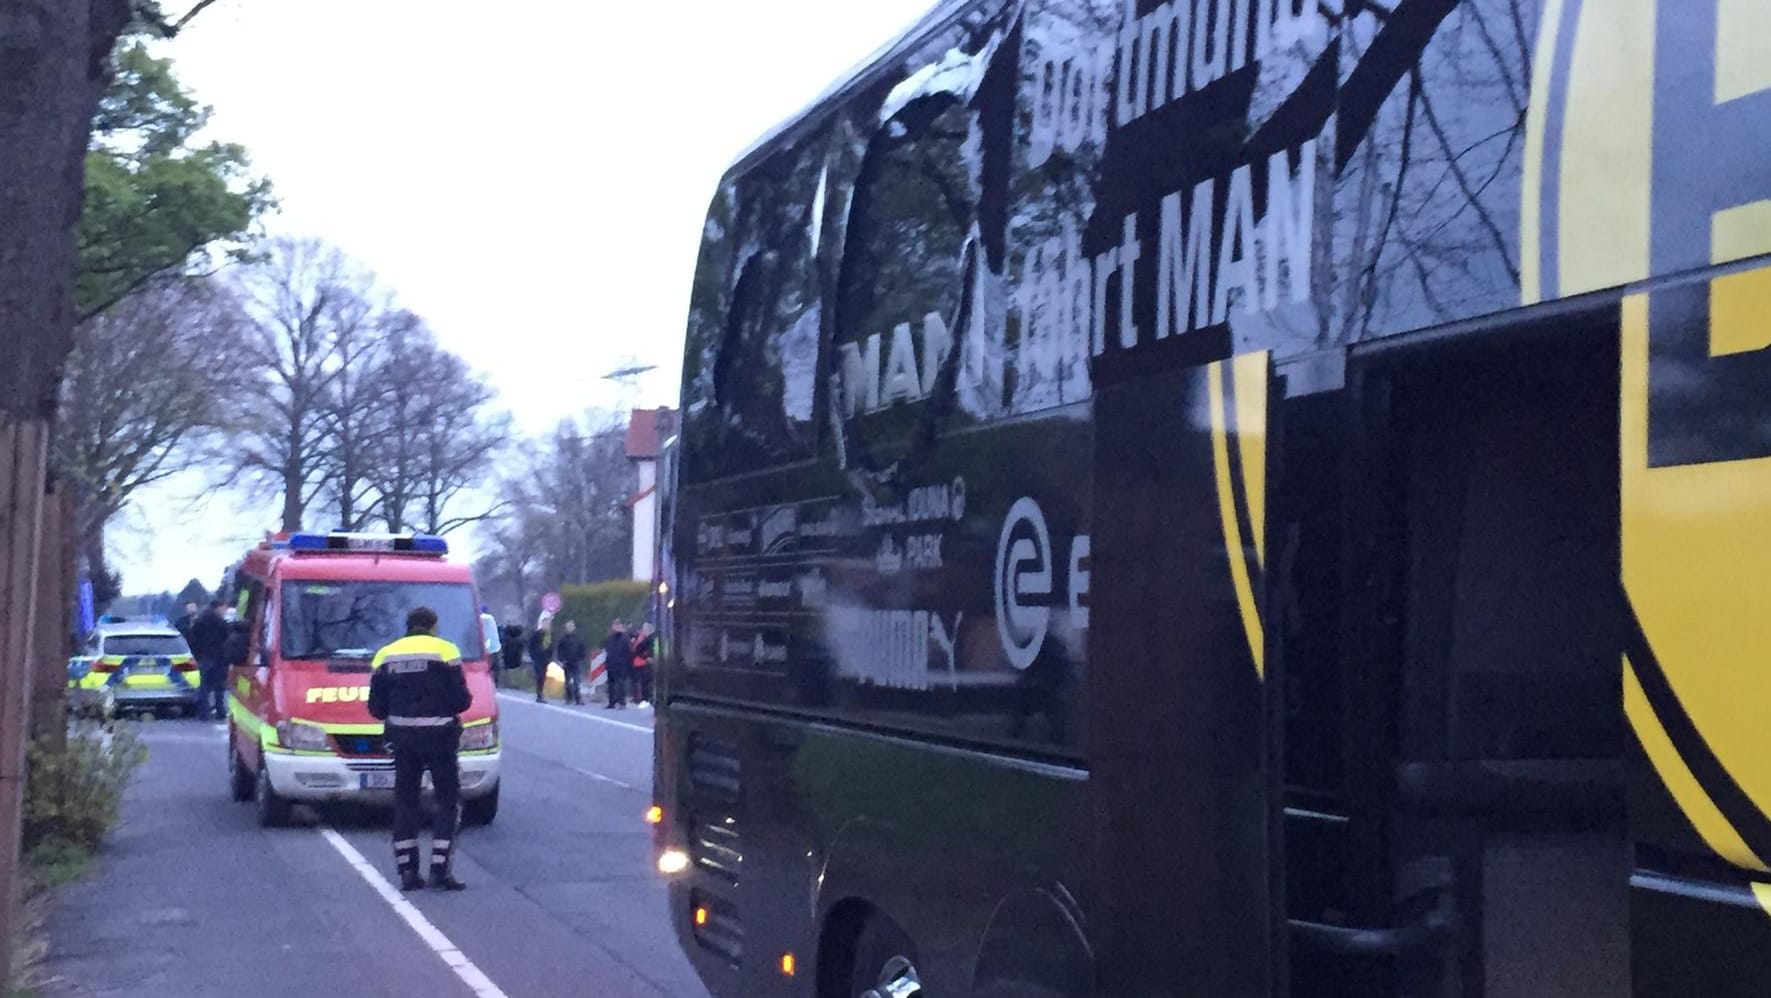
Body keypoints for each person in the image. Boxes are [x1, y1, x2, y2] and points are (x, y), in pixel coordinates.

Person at [367, 606, 472, 892]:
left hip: (402, 739)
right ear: (432, 625)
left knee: (406, 803)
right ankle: (440, 869)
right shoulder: (446, 651)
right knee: (448, 802)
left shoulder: (385, 655)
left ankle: (407, 873)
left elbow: (375, 708)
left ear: (409, 625)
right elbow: (462, 700)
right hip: (440, 737)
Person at [186, 599, 232, 721]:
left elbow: (192, 639)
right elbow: (228, 639)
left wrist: (197, 655)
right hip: (218, 658)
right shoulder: (220, 622)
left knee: (204, 687)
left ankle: (203, 713)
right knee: (219, 686)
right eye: (224, 608)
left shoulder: (200, 620)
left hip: (204, 658)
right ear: (219, 607)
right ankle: (220, 711)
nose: (224, 611)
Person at [554, 620, 588, 706]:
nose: (570, 628)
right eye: (568, 626)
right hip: (566, 662)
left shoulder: (578, 638)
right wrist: (560, 660)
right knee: (568, 682)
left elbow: (582, 648)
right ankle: (569, 698)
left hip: (576, 662)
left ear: (574, 627)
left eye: (571, 626)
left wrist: (581, 658)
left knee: (577, 682)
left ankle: (578, 699)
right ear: (566, 628)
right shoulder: (563, 638)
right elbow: (559, 649)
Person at [602, 619, 633, 709]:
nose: (616, 628)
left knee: (621, 684)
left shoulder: (625, 638)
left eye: (618, 625)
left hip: (621, 665)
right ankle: (612, 702)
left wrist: (627, 664)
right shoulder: (610, 638)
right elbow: (608, 649)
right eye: (614, 625)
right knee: (611, 684)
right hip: (611, 664)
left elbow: (629, 652)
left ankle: (622, 702)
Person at [526, 622, 554, 703]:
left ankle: (540, 694)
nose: (547, 626)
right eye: (545, 624)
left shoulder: (550, 635)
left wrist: (550, 657)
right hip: (538, 658)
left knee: (543, 677)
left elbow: (552, 647)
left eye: (548, 624)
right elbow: (530, 645)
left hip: (546, 659)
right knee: (540, 675)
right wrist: (533, 655)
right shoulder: (537, 634)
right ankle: (539, 694)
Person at [629, 622, 656, 706]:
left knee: (645, 682)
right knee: (638, 681)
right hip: (637, 662)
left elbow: (641, 649)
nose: (642, 630)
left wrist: (645, 656)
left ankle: (646, 698)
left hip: (644, 662)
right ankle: (639, 697)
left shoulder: (649, 639)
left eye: (644, 628)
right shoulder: (640, 637)